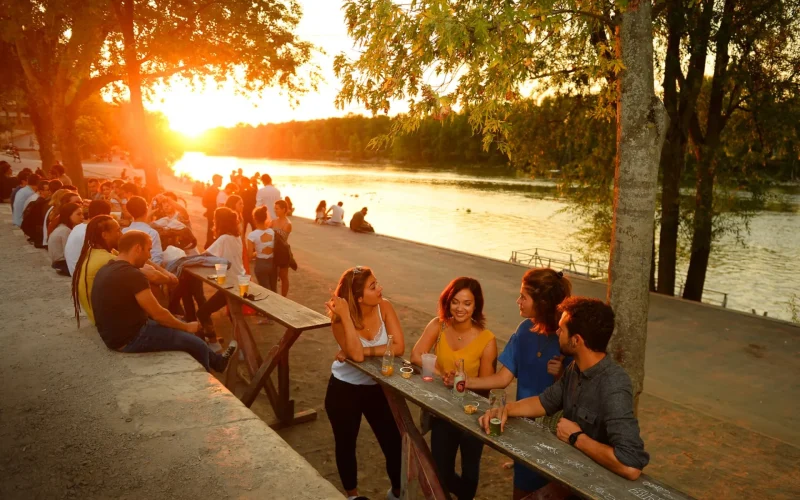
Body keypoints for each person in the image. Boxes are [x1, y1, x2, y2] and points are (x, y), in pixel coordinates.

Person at [479, 297, 650, 484]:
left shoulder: (613, 385)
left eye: (562, 329)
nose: (557, 332)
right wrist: (504, 410)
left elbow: (631, 466)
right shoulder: (575, 368)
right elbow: (544, 401)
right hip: (571, 478)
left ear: (576, 340)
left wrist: (576, 438)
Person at [455, 268, 572, 499]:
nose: (518, 301)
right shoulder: (524, 330)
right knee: (522, 491)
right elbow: (502, 378)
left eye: (523, 297)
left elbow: (578, 393)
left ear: (541, 303)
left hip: (556, 437)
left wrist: (561, 375)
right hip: (523, 430)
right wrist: (466, 382)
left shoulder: (566, 336)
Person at [90, 230, 238, 372]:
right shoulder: (133, 274)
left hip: (115, 335)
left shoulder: (108, 267)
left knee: (183, 329)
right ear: (137, 248)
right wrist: (186, 327)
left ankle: (218, 362)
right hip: (129, 339)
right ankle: (210, 385)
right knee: (195, 343)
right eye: (148, 250)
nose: (149, 255)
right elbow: (158, 313)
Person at [410, 278, 496, 500]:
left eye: (467, 303)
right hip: (442, 410)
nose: (460, 308)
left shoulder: (487, 340)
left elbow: (487, 384)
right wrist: (443, 375)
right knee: (441, 469)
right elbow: (416, 355)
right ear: (448, 302)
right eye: (455, 302)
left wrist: (466, 381)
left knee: (470, 471)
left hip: (472, 415)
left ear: (476, 306)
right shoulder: (438, 325)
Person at [325, 266, 404, 500]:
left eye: (377, 283)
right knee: (346, 444)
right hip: (343, 388)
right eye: (373, 286)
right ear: (359, 298)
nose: (380, 288)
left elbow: (398, 348)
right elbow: (356, 356)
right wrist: (348, 318)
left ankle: (397, 492)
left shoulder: (385, 307)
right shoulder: (339, 320)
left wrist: (365, 350)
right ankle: (352, 495)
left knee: (394, 443)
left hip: (377, 388)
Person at [194, 207, 245, 347]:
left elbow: (205, 255)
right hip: (239, 280)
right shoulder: (236, 237)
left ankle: (214, 343)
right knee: (234, 317)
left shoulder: (223, 239)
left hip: (231, 284)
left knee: (203, 312)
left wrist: (186, 259)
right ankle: (240, 347)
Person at [72, 215, 121, 325]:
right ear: (105, 235)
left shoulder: (92, 251)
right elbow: (149, 274)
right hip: (106, 321)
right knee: (147, 283)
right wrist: (168, 277)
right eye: (118, 230)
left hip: (97, 315)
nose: (121, 234)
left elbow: (142, 261)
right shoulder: (107, 259)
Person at [65, 200, 112, 275]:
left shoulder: (78, 227)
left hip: (76, 271)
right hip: (83, 274)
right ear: (102, 216)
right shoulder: (90, 231)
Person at [122, 196, 164, 265]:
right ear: (146, 210)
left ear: (130, 212)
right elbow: (157, 261)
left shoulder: (124, 231)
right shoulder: (152, 233)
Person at [247, 206, 277, 292]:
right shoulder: (272, 232)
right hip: (273, 264)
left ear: (255, 219)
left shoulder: (252, 235)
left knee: (266, 291)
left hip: (261, 264)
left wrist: (256, 252)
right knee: (274, 290)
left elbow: (249, 256)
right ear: (265, 218)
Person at [48, 202, 83, 275]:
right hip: (62, 264)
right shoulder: (65, 231)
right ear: (68, 215)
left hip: (59, 263)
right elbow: (70, 253)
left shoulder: (62, 227)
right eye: (78, 214)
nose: (82, 217)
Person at [271, 199, 292, 297]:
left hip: (282, 251)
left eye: (277, 209)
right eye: (275, 209)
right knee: (273, 275)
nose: (275, 211)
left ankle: (284, 297)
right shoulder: (273, 221)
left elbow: (282, 239)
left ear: (284, 209)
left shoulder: (287, 224)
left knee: (284, 276)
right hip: (273, 250)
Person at [202, 174, 223, 246]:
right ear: (216, 181)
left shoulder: (218, 191)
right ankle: (208, 245)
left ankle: (212, 245)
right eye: (220, 180)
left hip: (217, 213)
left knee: (215, 230)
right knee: (211, 229)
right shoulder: (209, 190)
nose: (221, 182)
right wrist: (213, 207)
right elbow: (204, 202)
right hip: (211, 213)